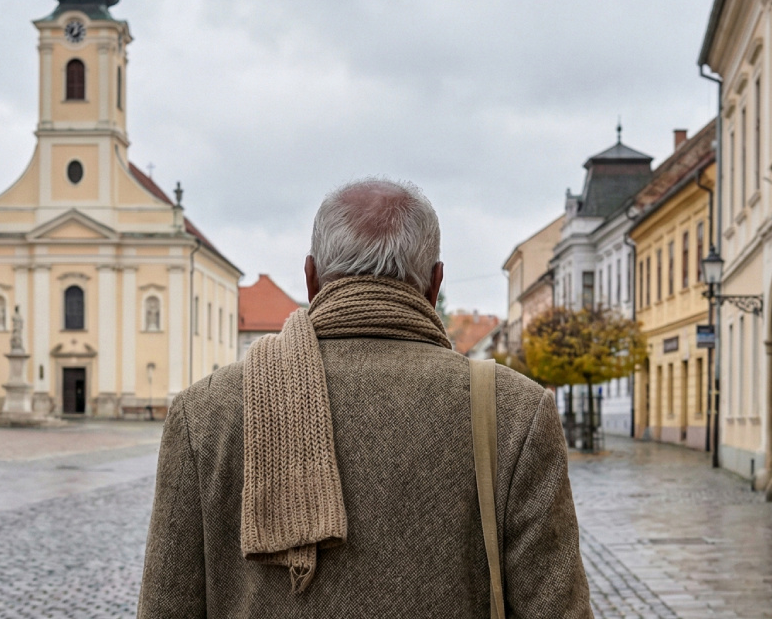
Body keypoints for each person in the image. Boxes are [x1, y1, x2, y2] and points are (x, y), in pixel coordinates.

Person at [138, 179, 591, 618]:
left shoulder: (204, 414)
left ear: (311, 279)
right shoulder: (514, 412)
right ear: (435, 286)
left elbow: (166, 607)